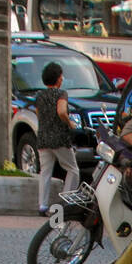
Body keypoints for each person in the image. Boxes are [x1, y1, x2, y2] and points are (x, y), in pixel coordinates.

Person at [35, 61, 80, 215]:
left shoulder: (39, 96)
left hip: (43, 138)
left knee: (45, 172)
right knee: (73, 169)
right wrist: (70, 123)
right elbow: (61, 111)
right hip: (60, 138)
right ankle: (65, 203)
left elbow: (38, 114)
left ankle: (42, 205)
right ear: (58, 78)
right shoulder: (61, 94)